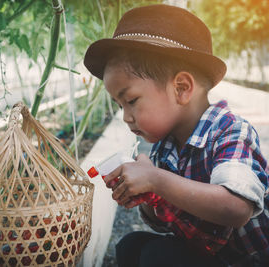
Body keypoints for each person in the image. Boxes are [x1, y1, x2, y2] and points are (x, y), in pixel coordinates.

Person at [83, 4, 268, 267]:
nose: (125, 116)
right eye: (119, 105)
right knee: (130, 245)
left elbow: (236, 208)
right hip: (206, 253)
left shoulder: (230, 131)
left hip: (248, 259)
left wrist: (157, 180)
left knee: (158, 257)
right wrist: (148, 197)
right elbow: (163, 222)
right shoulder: (164, 147)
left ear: (181, 88)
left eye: (131, 100)